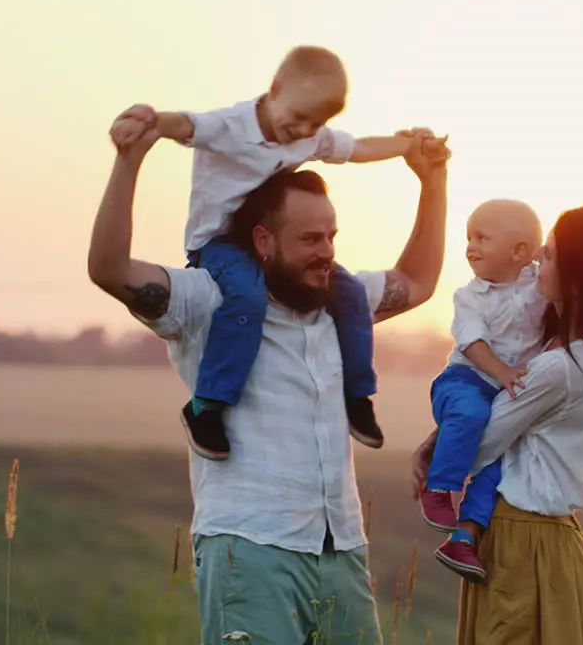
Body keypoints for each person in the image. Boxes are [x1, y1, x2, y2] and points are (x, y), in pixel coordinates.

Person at [90, 108, 450, 643]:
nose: (326, 252)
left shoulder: (341, 304)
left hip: (341, 548)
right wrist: (129, 162)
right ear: (262, 241)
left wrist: (432, 182)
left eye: (331, 236)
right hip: (249, 546)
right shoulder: (204, 300)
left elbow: (417, 281)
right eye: (310, 239)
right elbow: (110, 269)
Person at [113, 45, 423, 462]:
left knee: (346, 291)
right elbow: (185, 124)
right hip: (219, 244)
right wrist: (148, 119)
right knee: (246, 297)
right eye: (296, 118)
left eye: (314, 124)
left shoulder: (308, 134)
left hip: (271, 242)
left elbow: (358, 149)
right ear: (274, 90)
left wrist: (406, 145)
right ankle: (207, 405)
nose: (301, 131)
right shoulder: (231, 126)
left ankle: (357, 396)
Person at [410, 205, 583, 645]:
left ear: (575, 276)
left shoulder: (558, 367)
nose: (538, 255)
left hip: (522, 542)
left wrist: (435, 448)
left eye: (550, 254)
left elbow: (480, 443)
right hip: (557, 542)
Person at [417, 199, 547, 584]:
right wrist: (503, 372)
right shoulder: (469, 296)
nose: (470, 246)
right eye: (469, 237)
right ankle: (438, 488)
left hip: (502, 392)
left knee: (499, 467)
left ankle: (463, 538)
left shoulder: (539, 285)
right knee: (470, 415)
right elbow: (471, 341)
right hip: (464, 381)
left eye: (482, 237)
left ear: (520, 251)